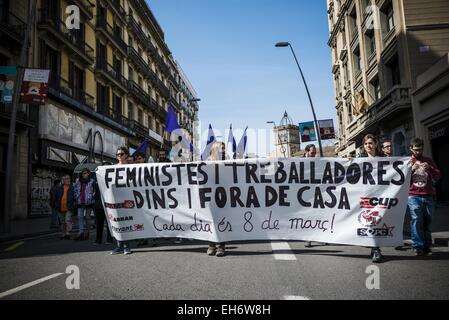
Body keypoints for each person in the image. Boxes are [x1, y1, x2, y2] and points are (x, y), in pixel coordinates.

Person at [408, 138, 441, 256]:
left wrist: (430, 169)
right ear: (411, 149)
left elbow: (437, 176)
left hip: (428, 195)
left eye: (420, 149)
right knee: (416, 219)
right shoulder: (407, 161)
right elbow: (400, 179)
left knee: (427, 221)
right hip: (413, 195)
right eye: (416, 150)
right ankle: (417, 246)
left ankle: (427, 246)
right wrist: (411, 170)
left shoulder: (429, 161)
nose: (418, 152)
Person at [358, 134, 384, 263]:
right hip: (366, 197)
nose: (369, 145)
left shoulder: (385, 160)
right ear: (363, 146)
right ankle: (376, 249)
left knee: (380, 222)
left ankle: (377, 247)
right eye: (366, 144)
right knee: (371, 222)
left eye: (371, 143)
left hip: (383, 196)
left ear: (376, 144)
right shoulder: (359, 161)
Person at [206, 142, 227, 257]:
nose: (223, 151)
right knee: (211, 220)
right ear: (215, 149)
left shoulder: (227, 161)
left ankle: (221, 247)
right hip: (210, 195)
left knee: (222, 220)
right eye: (221, 149)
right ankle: (211, 245)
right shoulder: (207, 161)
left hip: (223, 194)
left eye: (224, 149)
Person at [111, 147, 132, 255]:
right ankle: (119, 246)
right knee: (118, 222)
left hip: (128, 198)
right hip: (116, 199)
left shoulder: (131, 168)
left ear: (126, 155)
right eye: (118, 154)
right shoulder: (112, 168)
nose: (119, 156)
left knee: (127, 222)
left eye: (122, 154)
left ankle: (126, 247)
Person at [134, 152, 157, 248]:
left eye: (139, 158)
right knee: (140, 219)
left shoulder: (149, 169)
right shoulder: (133, 169)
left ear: (144, 159)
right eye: (137, 159)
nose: (138, 161)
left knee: (149, 219)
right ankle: (142, 239)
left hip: (148, 199)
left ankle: (151, 239)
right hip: (138, 198)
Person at [73, 168, 95, 241]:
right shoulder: (78, 181)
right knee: (80, 217)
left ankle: (87, 232)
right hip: (80, 201)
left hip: (88, 202)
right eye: (83, 173)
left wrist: (92, 197)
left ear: (89, 173)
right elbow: (75, 190)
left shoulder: (92, 181)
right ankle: (81, 232)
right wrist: (76, 196)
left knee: (87, 217)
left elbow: (95, 190)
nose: (84, 174)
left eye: (85, 173)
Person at [93, 171, 113, 245]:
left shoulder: (111, 178)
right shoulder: (97, 178)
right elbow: (94, 185)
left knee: (109, 223)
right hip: (99, 203)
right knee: (99, 223)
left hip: (108, 203)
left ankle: (109, 239)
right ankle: (98, 239)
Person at [54, 174, 75, 240]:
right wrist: (56, 205)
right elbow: (56, 197)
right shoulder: (59, 188)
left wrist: (74, 205)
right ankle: (63, 234)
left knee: (67, 220)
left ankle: (68, 233)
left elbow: (75, 197)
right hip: (60, 208)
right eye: (66, 179)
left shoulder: (72, 188)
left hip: (69, 207)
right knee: (62, 222)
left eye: (68, 178)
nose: (68, 180)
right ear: (63, 180)